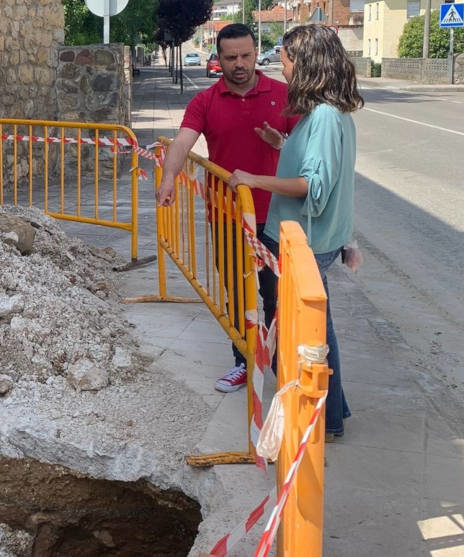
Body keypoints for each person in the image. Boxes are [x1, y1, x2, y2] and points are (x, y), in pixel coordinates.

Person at [227, 24, 364, 440]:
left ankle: (322, 417)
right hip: (309, 238)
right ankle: (331, 412)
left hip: (305, 240)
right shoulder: (326, 113)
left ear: (304, 63)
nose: (280, 65)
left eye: (284, 57)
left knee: (310, 335)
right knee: (318, 330)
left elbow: (313, 187)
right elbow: (317, 167)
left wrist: (254, 179)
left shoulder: (323, 116)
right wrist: (282, 142)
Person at [156, 23, 299, 393]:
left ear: (257, 54)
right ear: (218, 58)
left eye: (246, 55)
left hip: (276, 218)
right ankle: (244, 362)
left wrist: (282, 143)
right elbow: (182, 141)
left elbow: (306, 151)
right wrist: (169, 178)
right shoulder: (205, 101)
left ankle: (282, 369)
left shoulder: (285, 95)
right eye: (231, 57)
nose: (240, 64)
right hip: (227, 218)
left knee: (277, 296)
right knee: (237, 295)